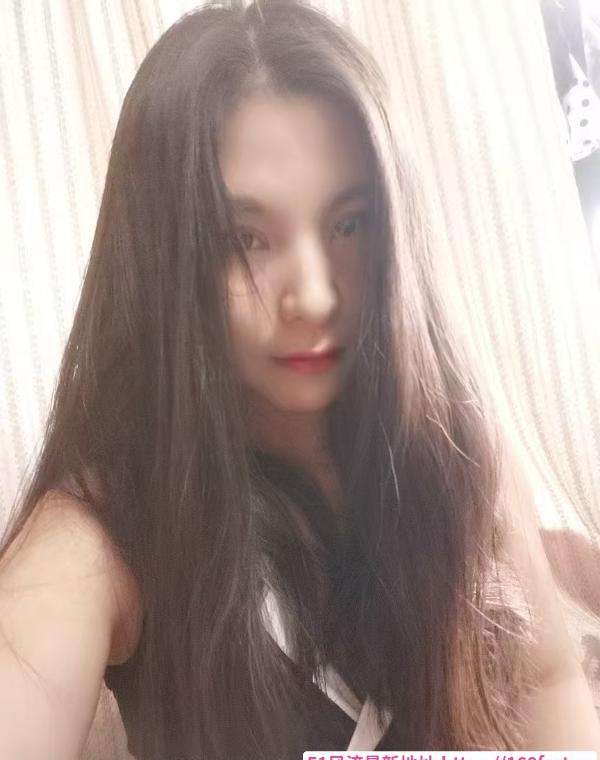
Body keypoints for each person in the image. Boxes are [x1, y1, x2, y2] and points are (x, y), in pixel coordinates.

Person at [0, 1, 599, 758]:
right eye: (245, 239)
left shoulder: (452, 442)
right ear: (164, 258)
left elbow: (545, 679)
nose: (314, 296)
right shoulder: (107, 528)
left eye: (349, 224)